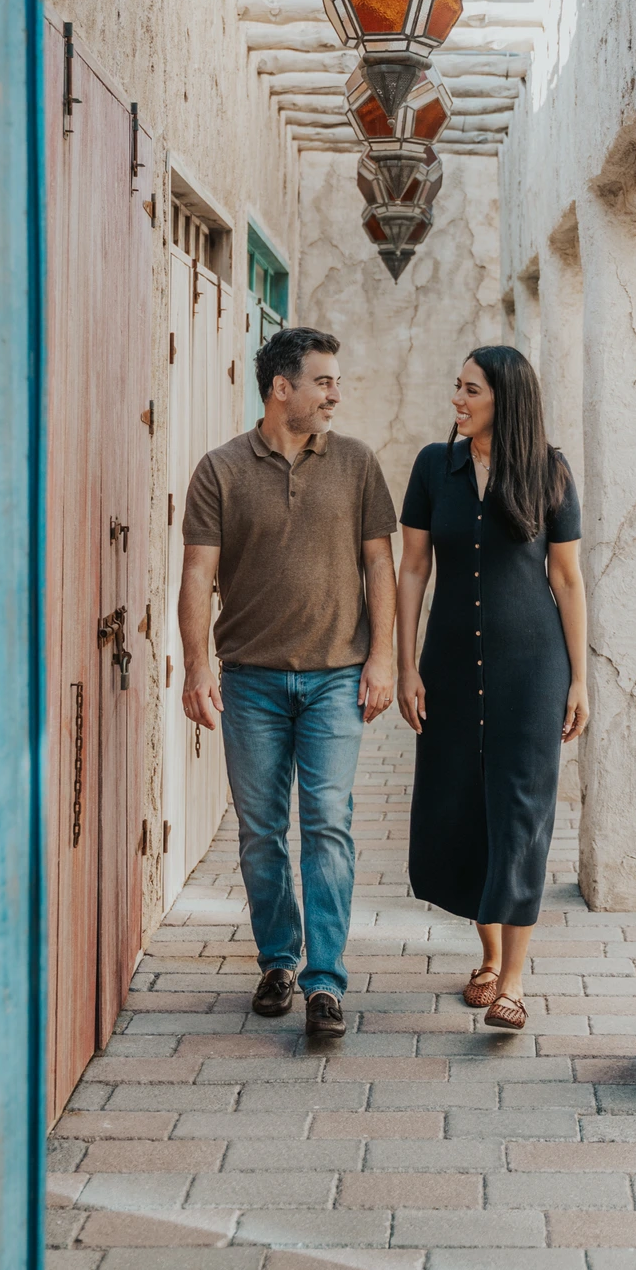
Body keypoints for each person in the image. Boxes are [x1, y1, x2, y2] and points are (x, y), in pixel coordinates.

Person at [179, 326, 398, 1039]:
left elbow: (378, 567)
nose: (335, 392)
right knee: (261, 831)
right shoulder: (219, 471)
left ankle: (324, 983)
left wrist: (383, 658)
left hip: (336, 677)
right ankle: (278, 959)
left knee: (327, 823)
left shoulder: (357, 464)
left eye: (335, 381)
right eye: (323, 381)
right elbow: (196, 574)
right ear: (282, 389)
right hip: (250, 683)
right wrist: (194, 667)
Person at [396, 345, 588, 1031]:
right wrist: (404, 664)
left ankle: (510, 981)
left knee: (520, 812)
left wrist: (579, 680)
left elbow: (565, 580)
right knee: (460, 807)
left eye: (470, 389)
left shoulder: (549, 472)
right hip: (447, 664)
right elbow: (412, 569)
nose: (457, 398)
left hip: (532, 669)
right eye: (457, 386)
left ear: (505, 399)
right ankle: (483, 954)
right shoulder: (432, 467)